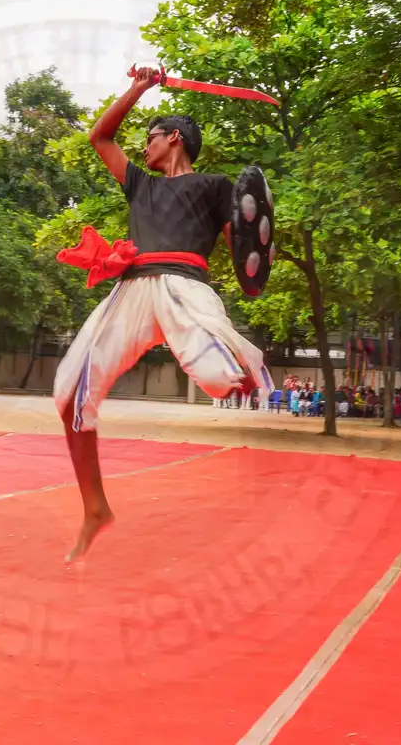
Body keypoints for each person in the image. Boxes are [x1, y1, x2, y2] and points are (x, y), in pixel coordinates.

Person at [52, 65, 272, 562]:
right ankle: (95, 508)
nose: (143, 146)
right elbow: (99, 136)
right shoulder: (139, 185)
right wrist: (139, 87)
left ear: (173, 138)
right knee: (67, 394)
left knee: (220, 370)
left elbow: (246, 238)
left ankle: (245, 374)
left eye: (150, 138)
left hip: (184, 286)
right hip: (130, 293)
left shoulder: (215, 186)